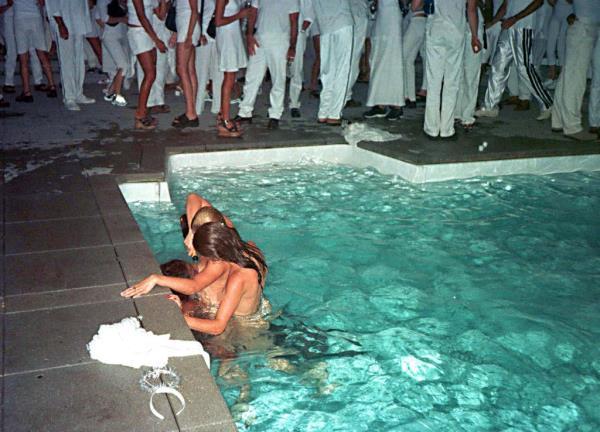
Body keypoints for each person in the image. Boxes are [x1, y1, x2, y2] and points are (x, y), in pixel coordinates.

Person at [122, 222, 268, 336]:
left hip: (243, 329)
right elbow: (194, 286)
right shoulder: (249, 248)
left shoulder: (238, 278)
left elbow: (217, 327)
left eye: (205, 259)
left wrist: (180, 317)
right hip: (261, 312)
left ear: (215, 257)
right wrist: (156, 278)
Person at [474, 0, 554, 121]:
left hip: (522, 27)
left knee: (524, 68)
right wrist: (494, 22)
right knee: (498, 66)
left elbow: (538, 2)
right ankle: (490, 106)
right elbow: (506, 4)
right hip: (508, 26)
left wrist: (515, 18)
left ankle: (548, 103)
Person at [235, 0, 299, 130]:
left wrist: (292, 46)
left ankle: (275, 114)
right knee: (252, 76)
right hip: (259, 39)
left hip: (280, 41)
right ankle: (245, 112)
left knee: (278, 79)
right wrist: (249, 35)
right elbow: (253, 12)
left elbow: (294, 22)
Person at [423, 0, 481, 139]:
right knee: (452, 82)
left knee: (433, 81)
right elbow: (471, 10)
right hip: (456, 30)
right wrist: (474, 36)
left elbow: (416, 5)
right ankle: (446, 129)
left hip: (436, 28)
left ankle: (432, 128)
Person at [551, 0, 600, 141]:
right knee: (575, 79)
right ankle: (572, 127)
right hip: (583, 27)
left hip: (587, 25)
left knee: (569, 75)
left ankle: (559, 120)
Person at [309, 0, 354, 125]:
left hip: (324, 25)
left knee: (327, 71)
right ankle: (334, 114)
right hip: (342, 22)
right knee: (342, 70)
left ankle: (323, 112)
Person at [46, 0, 96, 110]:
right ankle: (69, 97)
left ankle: (78, 93)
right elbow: (52, 4)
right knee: (67, 61)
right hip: (64, 21)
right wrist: (60, 24)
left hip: (78, 21)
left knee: (79, 60)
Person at [127, 0, 167, 129]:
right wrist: (156, 40)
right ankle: (140, 115)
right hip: (139, 32)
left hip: (148, 32)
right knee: (150, 74)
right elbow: (141, 16)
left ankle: (143, 112)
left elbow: (160, 15)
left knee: (152, 74)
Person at [363, 0, 404, 120]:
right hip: (381, 14)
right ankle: (379, 103)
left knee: (393, 58)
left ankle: (396, 104)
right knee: (377, 59)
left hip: (391, 14)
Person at [214, 0, 249, 138]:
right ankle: (225, 120)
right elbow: (218, 21)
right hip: (226, 36)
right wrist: (239, 15)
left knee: (230, 78)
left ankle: (223, 114)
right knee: (229, 78)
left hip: (232, 34)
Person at [13, 0, 57, 102]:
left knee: (23, 58)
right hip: (35, 16)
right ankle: (52, 86)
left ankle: (27, 92)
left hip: (20, 18)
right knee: (42, 54)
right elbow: (41, 2)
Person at [172, 0, 200, 128]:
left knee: (181, 69)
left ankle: (191, 113)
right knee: (189, 70)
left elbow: (194, 11)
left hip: (188, 28)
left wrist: (188, 35)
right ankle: (191, 110)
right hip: (186, 27)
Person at [97, 0, 130, 107]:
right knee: (123, 65)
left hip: (120, 35)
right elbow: (103, 19)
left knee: (123, 65)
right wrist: (122, 19)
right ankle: (117, 95)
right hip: (110, 36)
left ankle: (110, 92)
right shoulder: (103, 2)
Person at [195, 0, 223, 117]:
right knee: (201, 74)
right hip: (204, 36)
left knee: (218, 73)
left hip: (220, 35)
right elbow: (196, 13)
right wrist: (199, 33)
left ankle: (217, 107)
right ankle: (197, 107)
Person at [288, 0, 314, 119]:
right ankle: (275, 104)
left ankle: (294, 104)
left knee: (296, 69)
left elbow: (309, 17)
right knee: (278, 70)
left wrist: (301, 32)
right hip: (280, 33)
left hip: (298, 34)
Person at [402, 0, 427, 109]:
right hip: (420, 21)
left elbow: (414, 6)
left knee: (401, 58)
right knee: (408, 61)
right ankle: (410, 97)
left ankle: (403, 95)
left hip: (417, 20)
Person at [345, 0, 369, 108]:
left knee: (352, 62)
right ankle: (345, 97)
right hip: (355, 15)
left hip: (354, 13)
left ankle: (346, 95)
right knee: (352, 62)